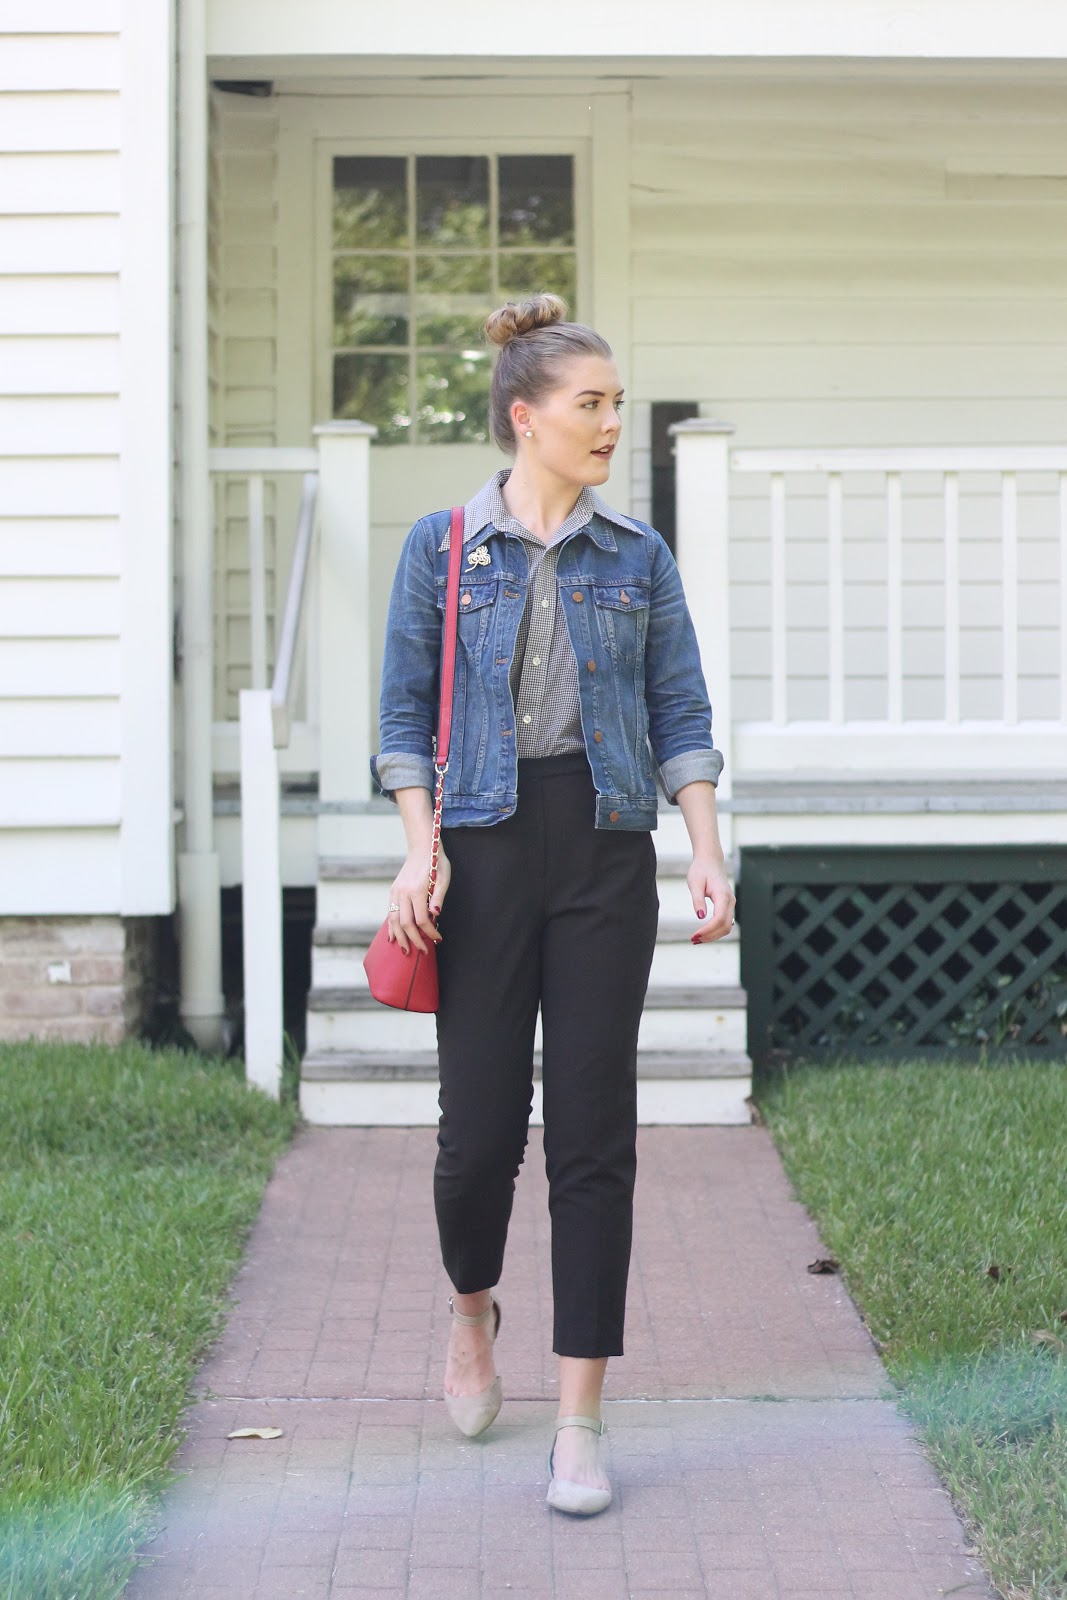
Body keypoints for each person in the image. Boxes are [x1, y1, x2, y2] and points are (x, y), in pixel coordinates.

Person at [371, 293, 734, 1516]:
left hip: (600, 851)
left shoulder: (636, 556)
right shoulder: (440, 549)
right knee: (476, 1137)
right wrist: (418, 851)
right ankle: (473, 1308)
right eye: (591, 404)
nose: (611, 423)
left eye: (616, 403)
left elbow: (680, 710)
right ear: (524, 417)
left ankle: (579, 1419)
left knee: (592, 1135)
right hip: (476, 854)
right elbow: (400, 720)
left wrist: (703, 847)